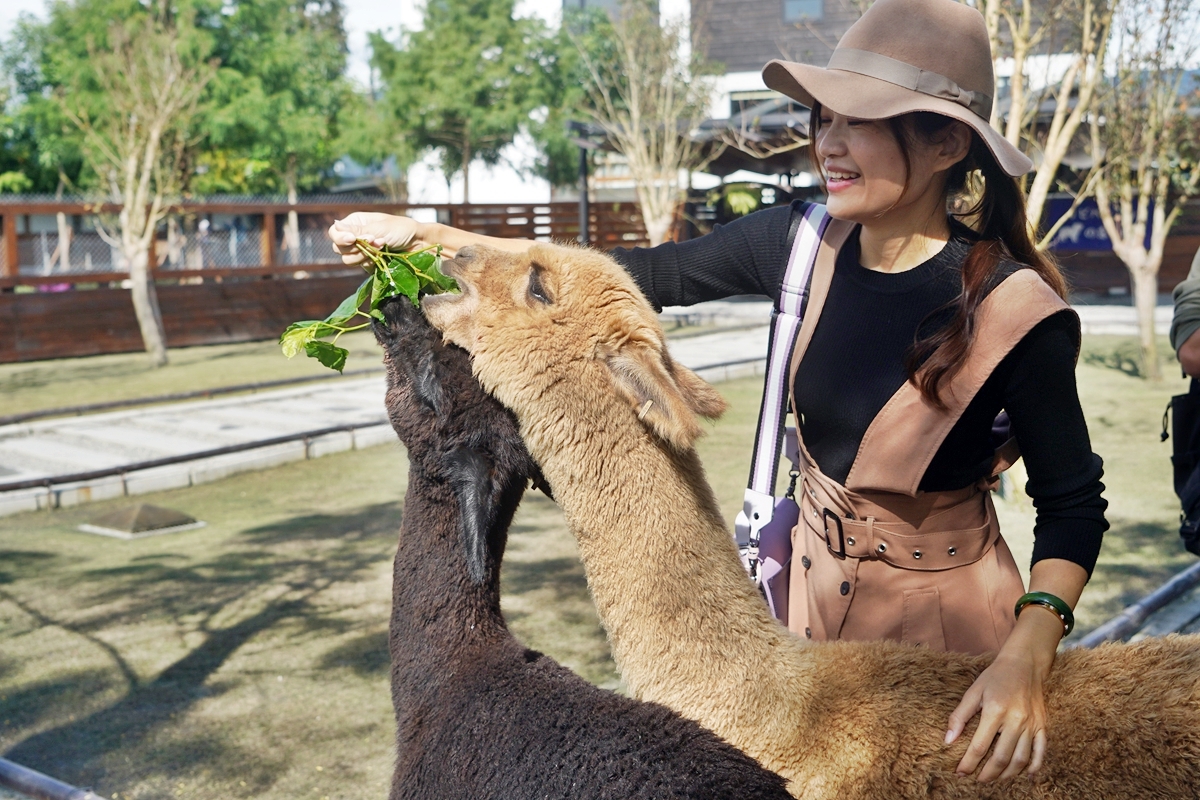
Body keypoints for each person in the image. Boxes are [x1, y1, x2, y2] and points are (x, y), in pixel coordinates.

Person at [327, 0, 1107, 783]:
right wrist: (425, 240)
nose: (827, 146)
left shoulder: (1018, 312)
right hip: (798, 617)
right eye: (822, 118)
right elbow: (627, 272)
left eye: (859, 123)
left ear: (946, 141)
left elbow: (1073, 505)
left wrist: (1027, 654)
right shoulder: (799, 244)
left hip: (952, 638)